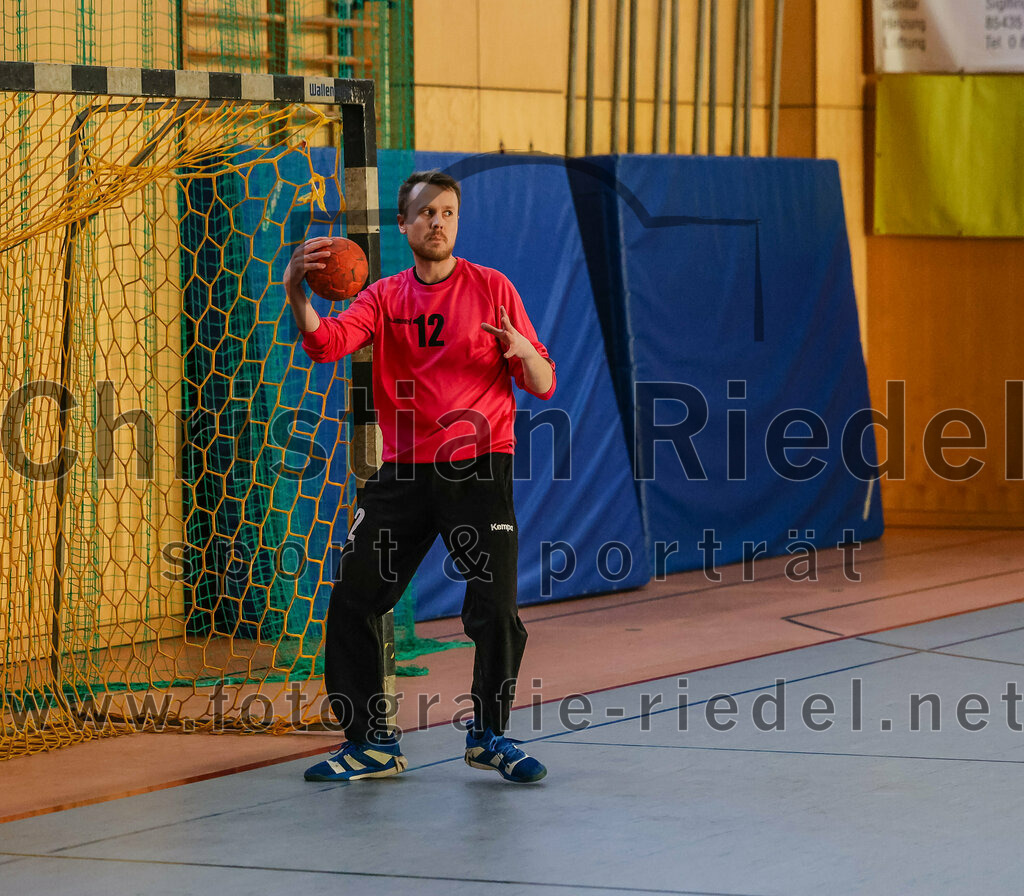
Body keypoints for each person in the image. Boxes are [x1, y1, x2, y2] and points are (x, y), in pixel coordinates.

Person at [284, 170, 556, 784]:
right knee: (355, 595)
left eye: (449, 212)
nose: (438, 222)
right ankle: (371, 743)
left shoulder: (493, 289)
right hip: (402, 473)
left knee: (496, 608)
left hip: (479, 469)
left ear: (458, 223)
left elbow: (542, 383)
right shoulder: (382, 297)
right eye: (426, 213)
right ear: (404, 225)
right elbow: (327, 345)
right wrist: (297, 293)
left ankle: (489, 734)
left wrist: (521, 348)